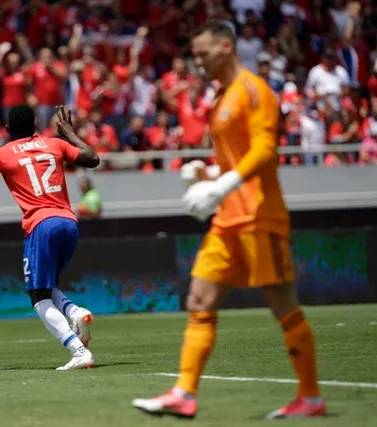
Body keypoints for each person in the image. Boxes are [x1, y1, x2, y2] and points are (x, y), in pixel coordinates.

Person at [132, 21, 325, 419]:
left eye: (202, 53)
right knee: (199, 300)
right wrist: (206, 173)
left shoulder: (254, 90)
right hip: (228, 219)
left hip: (259, 215)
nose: (197, 61)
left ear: (226, 47)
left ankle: (310, 397)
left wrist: (222, 186)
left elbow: (266, 150)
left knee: (283, 306)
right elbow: (235, 159)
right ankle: (184, 394)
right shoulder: (221, 96)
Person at [0, 105, 100, 370]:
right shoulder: (55, 144)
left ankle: (78, 350)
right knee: (46, 286)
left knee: (38, 297)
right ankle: (75, 312)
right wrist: (69, 132)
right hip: (69, 222)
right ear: (35, 124)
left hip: (40, 224)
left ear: (8, 130)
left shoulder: (3, 154)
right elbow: (92, 158)